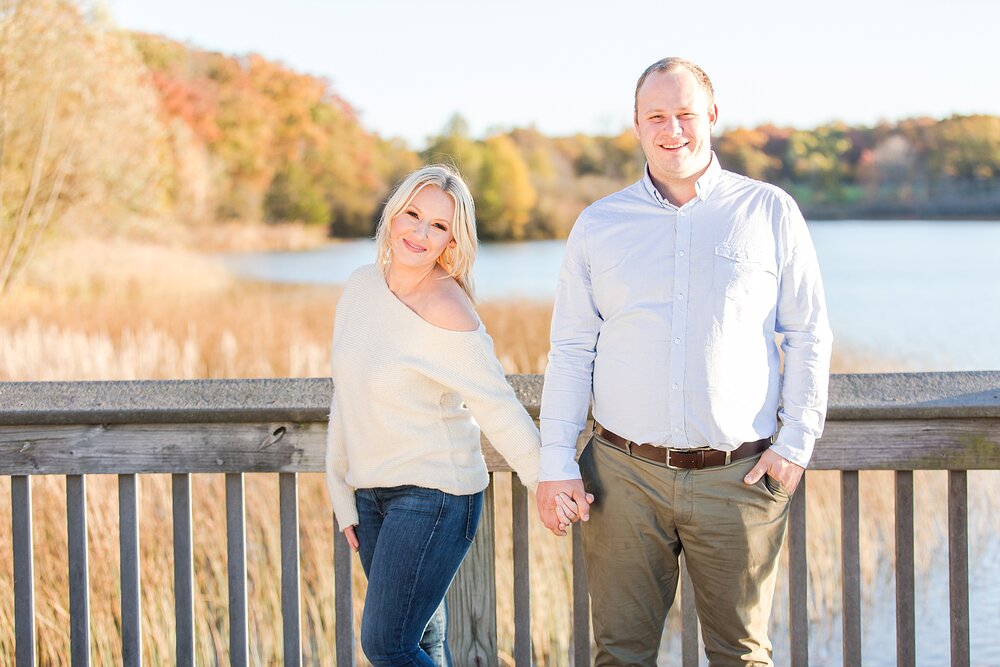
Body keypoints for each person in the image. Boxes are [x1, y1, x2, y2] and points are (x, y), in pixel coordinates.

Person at [537, 58, 833, 666]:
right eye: (657, 116)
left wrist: (796, 443)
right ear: (638, 126)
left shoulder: (769, 212)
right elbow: (571, 350)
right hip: (623, 478)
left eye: (685, 114)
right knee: (619, 654)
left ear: (713, 117)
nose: (673, 129)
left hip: (740, 477)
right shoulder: (599, 225)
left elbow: (808, 333)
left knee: (741, 656)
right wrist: (555, 461)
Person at [325, 164, 541, 667]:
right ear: (394, 214)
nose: (420, 233)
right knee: (421, 644)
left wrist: (546, 480)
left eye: (438, 226)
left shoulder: (450, 309)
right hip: (372, 496)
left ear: (452, 239)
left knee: (386, 645)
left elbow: (497, 406)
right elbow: (347, 395)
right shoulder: (360, 287)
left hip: (435, 496)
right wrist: (342, 493)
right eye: (413, 214)